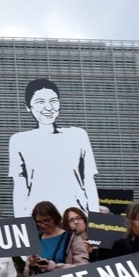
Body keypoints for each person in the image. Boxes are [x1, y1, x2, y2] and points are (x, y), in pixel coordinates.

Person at [8, 79, 98, 218]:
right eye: (40, 102)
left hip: (75, 214)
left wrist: (95, 220)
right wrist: (22, 222)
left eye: (53, 101)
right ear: (28, 107)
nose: (48, 108)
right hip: (39, 217)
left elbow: (88, 180)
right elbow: (20, 186)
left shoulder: (77, 135)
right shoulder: (19, 140)